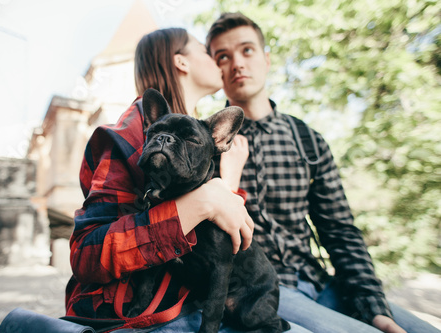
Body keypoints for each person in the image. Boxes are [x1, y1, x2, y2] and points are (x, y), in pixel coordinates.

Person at [204, 11, 441, 333]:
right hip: (261, 287)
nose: (237, 63)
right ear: (214, 68)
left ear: (266, 58)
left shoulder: (307, 141)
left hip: (319, 281)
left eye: (247, 50)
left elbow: (340, 231)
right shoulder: (206, 142)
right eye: (223, 56)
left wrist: (373, 306)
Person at [65, 27, 263, 332]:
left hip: (190, 300)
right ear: (182, 62)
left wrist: (227, 184)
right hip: (132, 312)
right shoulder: (129, 134)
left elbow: (218, 243)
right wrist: (200, 202)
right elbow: (87, 255)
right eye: (206, 51)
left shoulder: (200, 139)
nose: (219, 61)